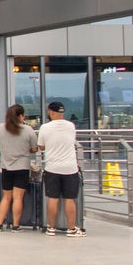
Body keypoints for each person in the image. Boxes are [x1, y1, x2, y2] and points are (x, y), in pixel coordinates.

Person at [37, 101, 86, 237]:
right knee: (70, 199)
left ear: (51, 112)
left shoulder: (44, 127)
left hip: (52, 168)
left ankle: (51, 228)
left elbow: (41, 147)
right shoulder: (71, 126)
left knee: (52, 199)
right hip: (70, 168)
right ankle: (71, 229)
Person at [0, 104, 37, 231]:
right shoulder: (28, 130)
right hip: (22, 167)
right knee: (18, 197)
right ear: (21, 116)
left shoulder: (0, 128)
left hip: (6, 167)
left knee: (6, 197)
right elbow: (34, 148)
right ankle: (16, 225)